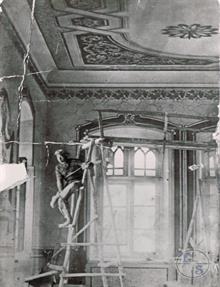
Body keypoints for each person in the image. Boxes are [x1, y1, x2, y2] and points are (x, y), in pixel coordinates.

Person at [50, 149, 85, 228]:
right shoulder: (58, 167)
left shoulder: (73, 161)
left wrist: (86, 165)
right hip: (68, 184)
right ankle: (68, 219)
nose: (60, 158)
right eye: (58, 157)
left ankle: (56, 197)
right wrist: (60, 191)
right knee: (60, 201)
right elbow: (59, 181)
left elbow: (83, 164)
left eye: (62, 156)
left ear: (65, 156)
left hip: (77, 182)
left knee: (61, 198)